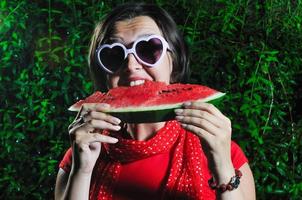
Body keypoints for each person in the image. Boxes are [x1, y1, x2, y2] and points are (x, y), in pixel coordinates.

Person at [55, 2, 255, 200]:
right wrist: (82, 171)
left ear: (174, 63)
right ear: (104, 74)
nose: (131, 65)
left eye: (149, 49)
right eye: (114, 54)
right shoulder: (80, 152)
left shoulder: (222, 150)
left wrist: (222, 166)